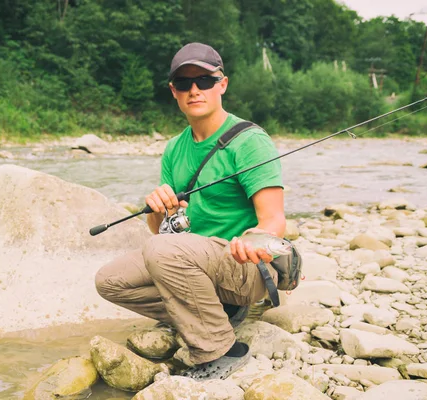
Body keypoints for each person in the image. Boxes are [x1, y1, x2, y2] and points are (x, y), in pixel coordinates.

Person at [95, 42, 286, 380]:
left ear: (222, 84)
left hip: (244, 266)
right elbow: (160, 234)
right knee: (109, 282)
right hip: (193, 262)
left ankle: (220, 349)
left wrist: (254, 242)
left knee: (161, 252)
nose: (194, 90)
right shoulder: (175, 148)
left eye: (205, 81)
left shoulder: (250, 141)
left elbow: (274, 219)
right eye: (184, 83)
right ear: (174, 91)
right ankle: (210, 313)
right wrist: (156, 207)